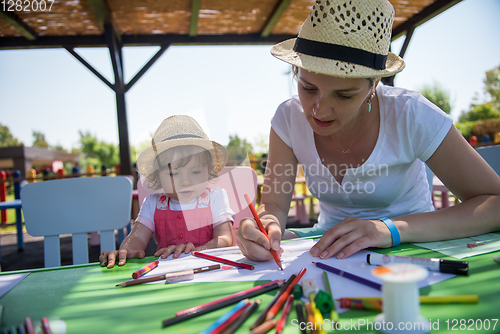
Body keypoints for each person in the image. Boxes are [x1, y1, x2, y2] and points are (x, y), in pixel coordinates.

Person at [236, 0, 500, 263]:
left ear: (374, 85)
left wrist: (390, 229)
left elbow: (495, 204)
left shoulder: (412, 114)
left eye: (343, 95)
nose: (320, 111)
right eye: (308, 88)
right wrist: (264, 224)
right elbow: (274, 205)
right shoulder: (288, 119)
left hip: (415, 247)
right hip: (329, 250)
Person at [100, 115, 235, 268]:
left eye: (195, 172)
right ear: (157, 175)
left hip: (210, 272)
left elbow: (224, 239)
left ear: (209, 170)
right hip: (165, 277)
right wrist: (125, 251)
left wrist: (195, 252)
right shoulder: (153, 203)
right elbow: (136, 237)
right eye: (173, 174)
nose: (185, 182)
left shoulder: (215, 197)